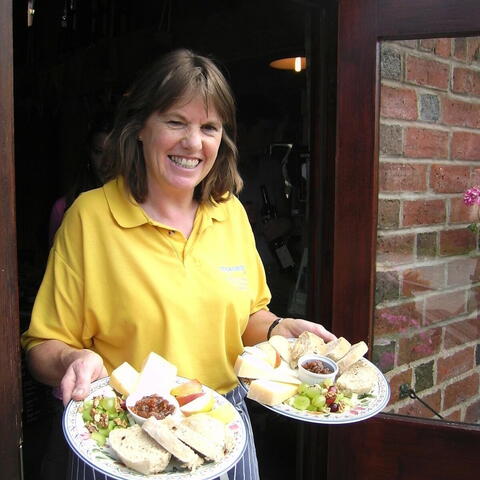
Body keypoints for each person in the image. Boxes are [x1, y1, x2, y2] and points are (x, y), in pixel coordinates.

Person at [21, 49, 336, 480]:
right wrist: (72, 360)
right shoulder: (90, 217)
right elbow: (42, 346)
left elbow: (248, 318)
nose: (193, 143)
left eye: (209, 127)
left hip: (222, 432)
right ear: (138, 129)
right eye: (175, 122)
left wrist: (280, 329)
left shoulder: (230, 213)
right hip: (126, 441)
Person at [48, 114, 112, 246]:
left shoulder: (138, 205)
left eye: (112, 153)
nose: (106, 162)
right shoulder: (64, 207)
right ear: (89, 153)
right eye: (98, 152)